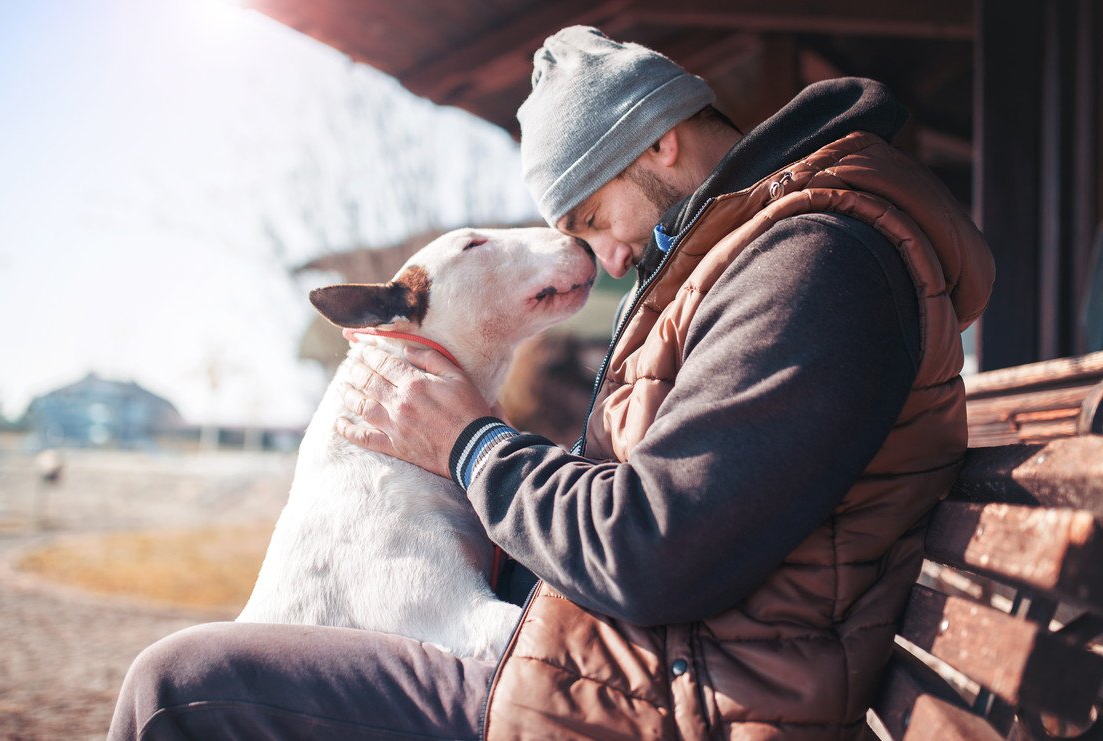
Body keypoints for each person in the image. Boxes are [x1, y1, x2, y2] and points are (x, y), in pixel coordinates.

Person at [109, 27, 994, 740]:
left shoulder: (814, 265)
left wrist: (470, 443)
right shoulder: (757, 260)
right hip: (634, 662)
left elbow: (651, 549)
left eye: (593, 216)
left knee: (179, 687)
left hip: (670, 702)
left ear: (661, 140)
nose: (605, 256)